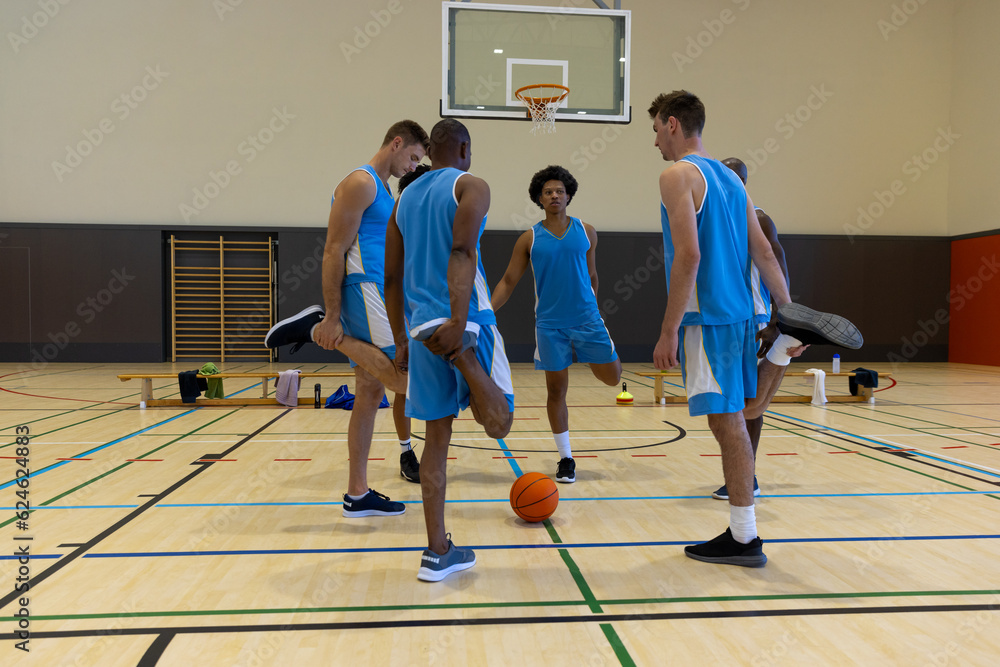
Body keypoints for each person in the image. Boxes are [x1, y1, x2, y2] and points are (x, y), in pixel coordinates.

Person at [648, 91, 862, 567]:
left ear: (672, 124)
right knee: (743, 414)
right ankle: (784, 346)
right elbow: (764, 253)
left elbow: (689, 257)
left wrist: (668, 331)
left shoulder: (676, 175)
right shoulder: (731, 180)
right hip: (746, 314)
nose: (656, 142)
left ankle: (744, 539)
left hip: (708, 319)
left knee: (728, 425)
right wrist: (788, 311)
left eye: (657, 130)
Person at [264, 120, 428, 516]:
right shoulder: (362, 182)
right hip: (366, 288)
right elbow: (333, 249)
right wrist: (334, 316)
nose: (413, 165)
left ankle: (357, 493)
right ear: (397, 142)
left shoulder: (383, 188)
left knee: (370, 395)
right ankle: (318, 325)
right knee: (404, 381)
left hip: (378, 290)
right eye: (413, 156)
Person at [385, 118, 515, 582]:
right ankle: (465, 360)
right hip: (466, 322)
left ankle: (437, 552)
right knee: (499, 422)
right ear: (463, 148)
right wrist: (460, 323)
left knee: (435, 441)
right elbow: (462, 252)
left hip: (421, 331)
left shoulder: (403, 201)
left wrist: (401, 338)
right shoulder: (471, 186)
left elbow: (392, 279)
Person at [491, 165, 621, 483]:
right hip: (550, 325)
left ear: (568, 196)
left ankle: (588, 353)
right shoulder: (529, 238)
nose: (554, 195)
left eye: (560, 191)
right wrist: (487, 312)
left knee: (613, 378)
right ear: (539, 198)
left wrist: (591, 308)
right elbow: (508, 281)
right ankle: (566, 458)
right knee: (556, 391)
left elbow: (592, 275)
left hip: (588, 320)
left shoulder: (587, 231)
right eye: (548, 191)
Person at [709, 157, 791, 500]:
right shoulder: (713, 216)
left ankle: (746, 476)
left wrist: (779, 319)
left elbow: (779, 264)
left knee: (748, 401)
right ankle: (743, 472)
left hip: (756, 319)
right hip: (726, 319)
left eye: (737, 177)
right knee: (727, 404)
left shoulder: (758, 219)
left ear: (745, 181)